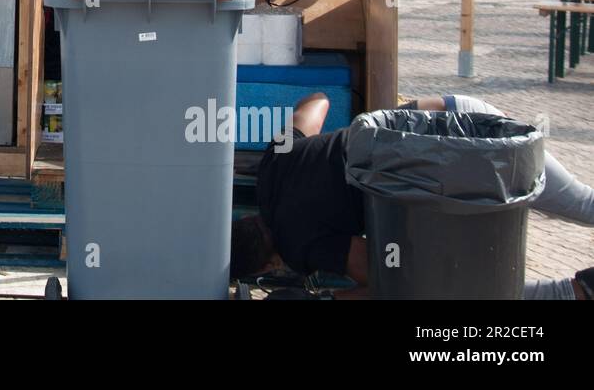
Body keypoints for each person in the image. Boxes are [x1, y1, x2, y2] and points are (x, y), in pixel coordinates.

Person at [231, 92, 594, 300]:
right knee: (581, 202)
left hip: (459, 176)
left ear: (266, 268)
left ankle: (575, 292)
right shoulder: (273, 163)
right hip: (464, 114)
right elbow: (317, 102)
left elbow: (389, 277)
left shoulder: (302, 247)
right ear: (243, 220)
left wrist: (331, 299)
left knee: (453, 286)